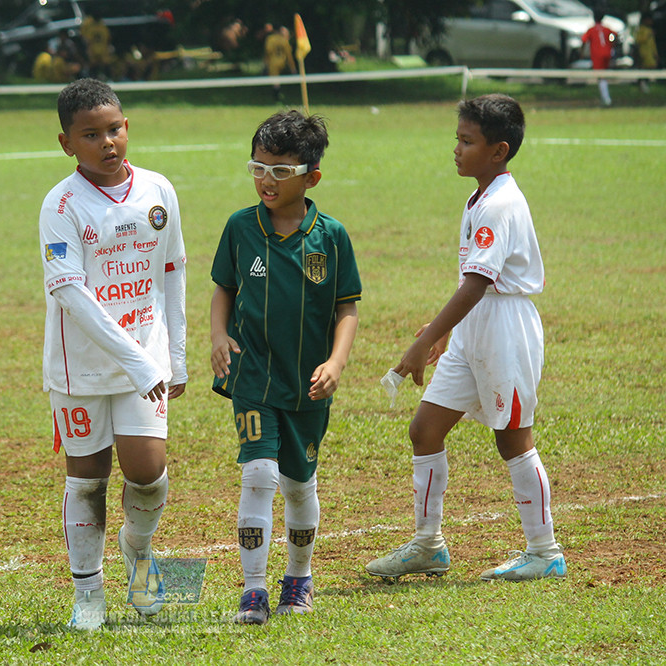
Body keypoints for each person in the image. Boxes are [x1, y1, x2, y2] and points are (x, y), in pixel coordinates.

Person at [365, 94, 565, 584]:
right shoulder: (479, 196)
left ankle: (545, 551)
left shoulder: (500, 204)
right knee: (425, 429)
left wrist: (424, 340)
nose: (456, 148)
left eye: (466, 140)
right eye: (456, 138)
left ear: (498, 150)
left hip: (505, 330)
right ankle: (429, 545)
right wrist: (447, 333)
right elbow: (473, 283)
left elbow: (479, 284)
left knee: (513, 438)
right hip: (475, 327)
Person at [39, 78, 187, 630]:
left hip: (145, 359)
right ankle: (88, 596)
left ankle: (140, 553)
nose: (108, 142)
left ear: (128, 127)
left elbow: (172, 268)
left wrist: (174, 353)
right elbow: (71, 292)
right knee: (88, 477)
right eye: (91, 134)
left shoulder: (158, 190)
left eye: (115, 129)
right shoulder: (60, 204)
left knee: (147, 471)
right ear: (66, 142)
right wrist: (141, 361)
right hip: (80, 369)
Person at [210, 110, 361, 625]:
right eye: (258, 168)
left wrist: (336, 362)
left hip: (307, 386)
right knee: (258, 474)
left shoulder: (332, 237)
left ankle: (298, 578)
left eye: (279, 171)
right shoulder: (239, 227)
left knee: (298, 485)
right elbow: (224, 289)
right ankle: (252, 590)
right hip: (252, 376)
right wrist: (217, 335)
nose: (265, 180)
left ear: (311, 176)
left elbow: (346, 307)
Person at [582, 11, 618, 106]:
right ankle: (605, 98)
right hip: (607, 53)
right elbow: (613, 36)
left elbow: (584, 40)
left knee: (600, 76)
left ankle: (606, 99)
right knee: (603, 75)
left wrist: (581, 52)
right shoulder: (606, 29)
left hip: (597, 55)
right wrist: (611, 43)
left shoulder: (592, 29)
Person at [263, 26, 295, 101]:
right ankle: (280, 94)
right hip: (282, 61)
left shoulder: (270, 39)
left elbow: (267, 51)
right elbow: (289, 55)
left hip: (273, 62)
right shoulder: (284, 40)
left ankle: (276, 95)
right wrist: (292, 67)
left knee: (275, 80)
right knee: (278, 79)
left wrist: (265, 63)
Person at [635, 12, 660, 92]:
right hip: (643, 53)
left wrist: (655, 53)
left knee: (651, 67)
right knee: (644, 68)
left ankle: (645, 83)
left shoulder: (650, 30)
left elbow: (653, 44)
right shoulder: (641, 29)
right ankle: (642, 84)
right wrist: (647, 36)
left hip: (650, 54)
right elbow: (638, 40)